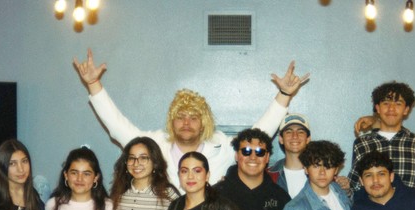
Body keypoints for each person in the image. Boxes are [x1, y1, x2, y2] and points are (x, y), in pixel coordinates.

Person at [73, 48, 309, 189]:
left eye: (193, 117)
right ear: (171, 121)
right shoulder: (153, 145)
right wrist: (93, 84)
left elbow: (259, 135)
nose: (186, 123)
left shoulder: (222, 147)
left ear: (203, 122)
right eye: (180, 116)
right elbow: (117, 127)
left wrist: (284, 94)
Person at [347, 81, 415, 199]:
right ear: (378, 108)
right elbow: (354, 185)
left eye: (398, 104)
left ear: (406, 109)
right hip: (375, 208)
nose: (391, 108)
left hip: (411, 208)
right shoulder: (363, 143)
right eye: (386, 103)